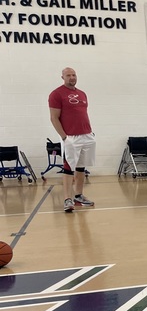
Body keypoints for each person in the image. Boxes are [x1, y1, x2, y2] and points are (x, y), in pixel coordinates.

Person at [48, 67, 96, 213]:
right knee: (69, 168)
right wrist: (64, 137)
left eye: (74, 74)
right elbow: (54, 117)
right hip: (70, 137)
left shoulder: (82, 94)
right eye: (68, 75)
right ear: (62, 77)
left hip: (86, 135)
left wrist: (90, 133)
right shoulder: (56, 94)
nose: (72, 77)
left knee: (81, 167)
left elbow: (81, 114)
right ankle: (67, 199)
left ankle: (78, 196)